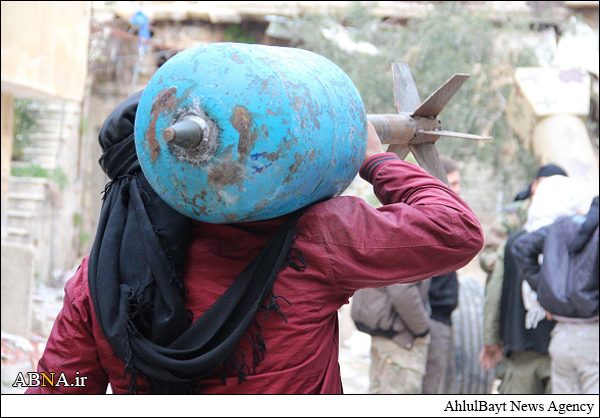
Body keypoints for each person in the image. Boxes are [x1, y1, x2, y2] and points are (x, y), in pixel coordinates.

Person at [26, 91, 483, 394]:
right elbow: (455, 229)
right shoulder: (313, 239)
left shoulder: (100, 279)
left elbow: (51, 386)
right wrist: (374, 159)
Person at [479, 175, 585, 394]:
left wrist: (491, 339)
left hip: (520, 350)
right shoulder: (576, 244)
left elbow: (495, 294)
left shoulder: (514, 244)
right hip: (562, 351)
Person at [513, 196, 599, 394]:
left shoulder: (561, 226)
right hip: (593, 336)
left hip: (561, 337)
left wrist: (546, 290)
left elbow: (522, 246)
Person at [421, 156, 461, 394]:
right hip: (431, 320)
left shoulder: (449, 214)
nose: (458, 190)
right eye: (453, 183)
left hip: (442, 320)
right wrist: (421, 327)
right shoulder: (430, 216)